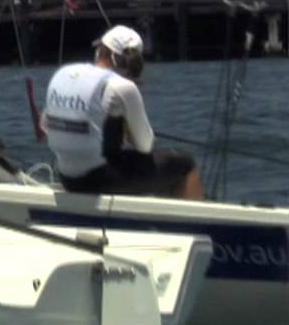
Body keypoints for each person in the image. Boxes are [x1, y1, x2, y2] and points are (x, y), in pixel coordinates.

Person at [43, 25, 203, 200]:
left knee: (135, 163)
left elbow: (45, 125)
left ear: (100, 51)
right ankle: (191, 224)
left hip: (67, 178)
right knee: (185, 164)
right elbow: (145, 145)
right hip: (101, 180)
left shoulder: (64, 74)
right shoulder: (123, 86)